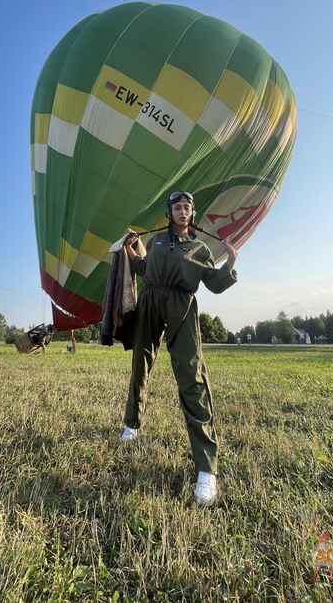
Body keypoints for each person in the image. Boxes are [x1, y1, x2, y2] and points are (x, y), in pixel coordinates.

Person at [120, 191, 237, 506]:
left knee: (190, 375)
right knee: (140, 365)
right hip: (151, 301)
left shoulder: (200, 248)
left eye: (187, 207)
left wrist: (231, 259)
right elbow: (145, 268)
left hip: (181, 305)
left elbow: (214, 282)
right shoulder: (156, 240)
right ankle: (132, 422)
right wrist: (130, 250)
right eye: (177, 207)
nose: (182, 211)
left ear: (192, 214)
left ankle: (206, 470)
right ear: (169, 212)